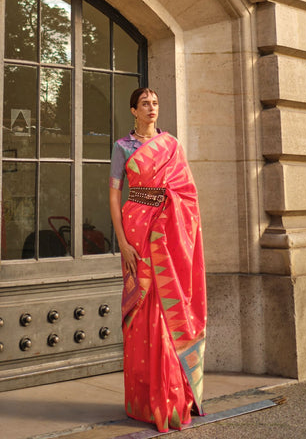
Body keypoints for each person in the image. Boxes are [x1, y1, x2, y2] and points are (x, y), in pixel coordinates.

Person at [109, 87, 207, 433]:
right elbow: (114, 193)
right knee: (142, 313)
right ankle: (145, 400)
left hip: (168, 233)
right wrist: (122, 241)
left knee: (166, 314)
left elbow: (188, 193)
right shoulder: (123, 147)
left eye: (155, 103)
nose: (152, 108)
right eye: (145, 104)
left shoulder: (172, 146)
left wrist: (171, 213)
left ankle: (171, 399)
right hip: (136, 230)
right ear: (133, 110)